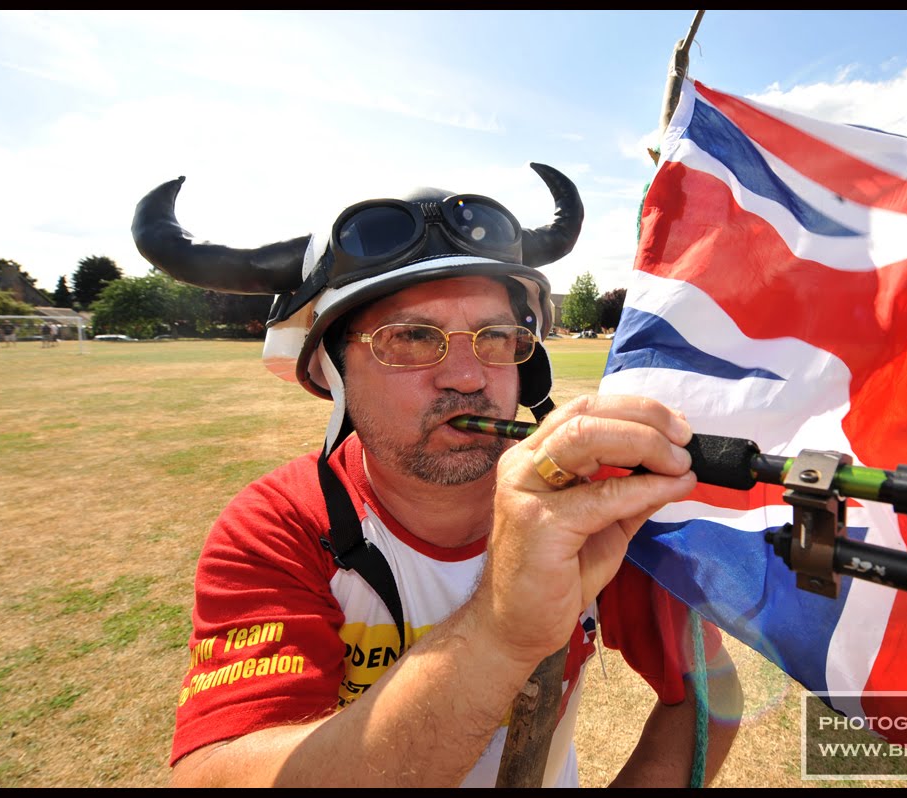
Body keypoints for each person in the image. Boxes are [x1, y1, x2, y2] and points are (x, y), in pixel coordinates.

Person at [132, 165, 743, 789]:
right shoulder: (280, 527)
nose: (468, 377)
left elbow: (708, 695)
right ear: (331, 367)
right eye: (414, 337)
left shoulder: (589, 511)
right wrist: (502, 630)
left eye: (496, 338)